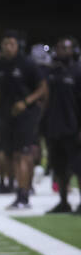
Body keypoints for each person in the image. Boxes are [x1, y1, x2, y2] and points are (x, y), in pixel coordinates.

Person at [0, 31, 47, 210]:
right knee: (13, 156)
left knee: (22, 155)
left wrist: (25, 102)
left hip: (25, 117)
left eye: (11, 44)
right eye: (5, 44)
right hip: (6, 118)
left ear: (18, 46)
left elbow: (43, 87)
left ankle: (23, 196)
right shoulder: (0, 65)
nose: (7, 47)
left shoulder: (27, 64)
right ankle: (24, 188)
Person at [42, 36, 81, 213]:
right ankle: (63, 202)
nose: (61, 51)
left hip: (73, 128)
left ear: (73, 50)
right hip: (54, 128)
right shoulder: (52, 72)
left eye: (65, 48)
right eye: (58, 48)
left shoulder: (78, 71)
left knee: (78, 167)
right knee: (59, 167)